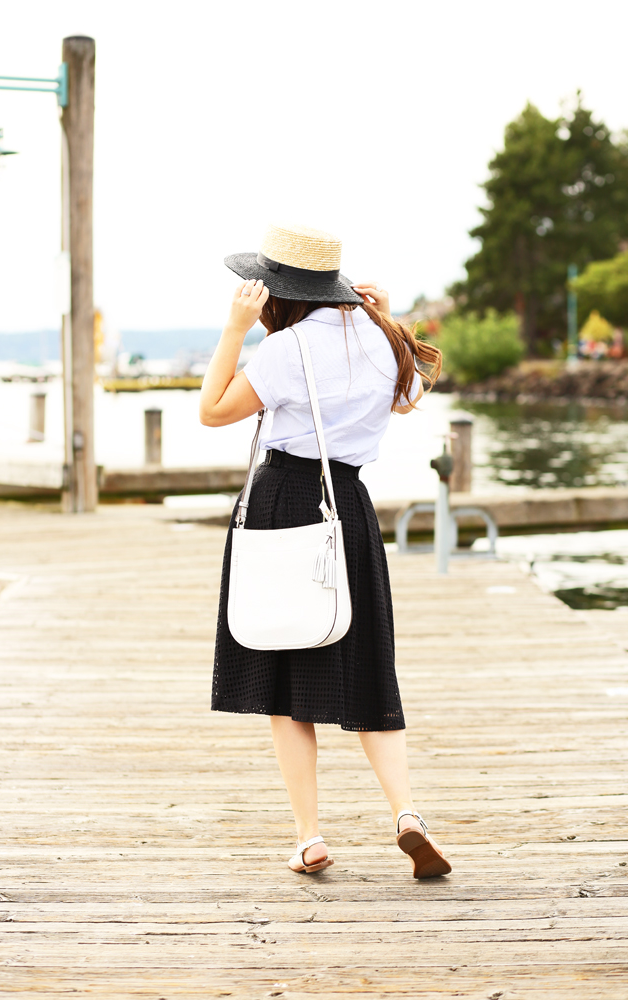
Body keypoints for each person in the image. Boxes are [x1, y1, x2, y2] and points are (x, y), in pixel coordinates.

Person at [199, 223, 450, 879]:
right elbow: (408, 397)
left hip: (286, 500)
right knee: (368, 665)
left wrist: (234, 331)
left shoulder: (282, 350)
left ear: (278, 291)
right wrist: (389, 320)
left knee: (285, 680)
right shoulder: (379, 337)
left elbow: (214, 411)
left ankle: (309, 836)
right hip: (351, 508)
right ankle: (407, 814)